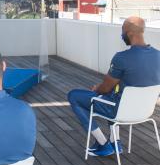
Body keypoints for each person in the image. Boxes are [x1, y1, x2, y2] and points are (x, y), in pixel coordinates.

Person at [68, 16, 160, 157]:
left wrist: (97, 88)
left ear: (129, 33)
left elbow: (105, 88)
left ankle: (104, 144)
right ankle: (115, 142)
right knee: (112, 95)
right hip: (145, 112)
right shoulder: (158, 55)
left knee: (74, 96)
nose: (121, 34)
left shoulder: (122, 57)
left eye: (122, 30)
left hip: (120, 111)